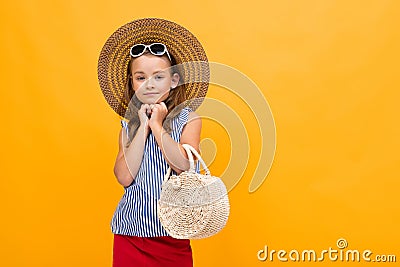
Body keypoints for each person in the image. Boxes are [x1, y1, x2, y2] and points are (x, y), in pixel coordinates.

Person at [97, 18, 210, 267]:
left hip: (172, 234)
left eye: (158, 77)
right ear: (132, 82)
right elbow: (124, 177)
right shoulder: (128, 126)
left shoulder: (188, 119)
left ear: (173, 81)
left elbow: (185, 166)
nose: (149, 84)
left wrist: (158, 126)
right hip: (130, 233)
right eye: (140, 77)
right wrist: (143, 126)